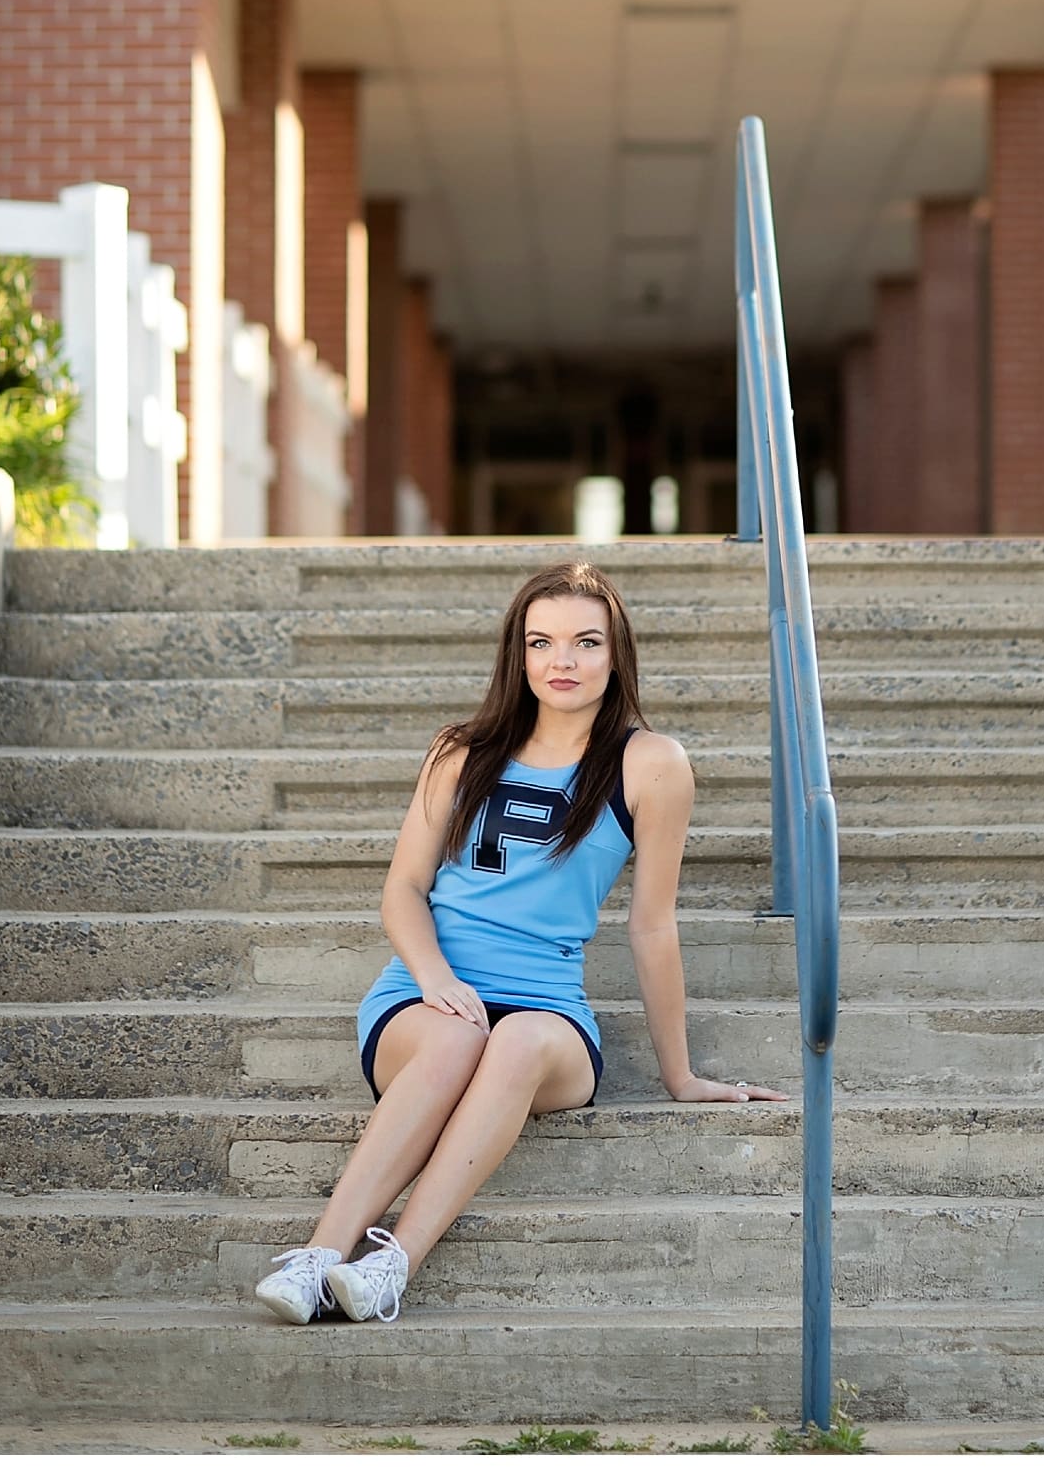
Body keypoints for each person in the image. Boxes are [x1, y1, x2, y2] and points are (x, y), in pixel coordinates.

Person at [252, 560, 783, 1324]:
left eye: (584, 642)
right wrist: (434, 978)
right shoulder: (459, 751)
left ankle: (391, 1266)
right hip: (423, 997)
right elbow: (402, 889)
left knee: (514, 1039)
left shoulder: (651, 763)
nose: (561, 661)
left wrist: (681, 1074)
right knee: (455, 1039)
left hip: (549, 1016)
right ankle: (318, 1259)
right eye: (541, 642)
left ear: (616, 653)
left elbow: (652, 924)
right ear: (519, 653)